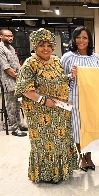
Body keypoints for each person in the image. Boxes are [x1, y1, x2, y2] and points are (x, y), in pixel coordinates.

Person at [14, 28, 78, 183]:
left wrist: (70, 76)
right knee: (45, 144)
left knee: (61, 141)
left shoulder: (56, 60)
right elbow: (24, 89)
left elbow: (59, 79)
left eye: (49, 45)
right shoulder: (31, 63)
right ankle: (47, 174)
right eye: (42, 45)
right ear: (35, 46)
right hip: (40, 112)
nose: (46, 49)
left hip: (60, 110)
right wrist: (44, 101)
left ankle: (62, 171)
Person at [61, 26, 99, 172]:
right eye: (78, 37)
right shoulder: (67, 57)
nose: (81, 40)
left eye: (84, 37)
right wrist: (70, 76)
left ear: (89, 40)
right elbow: (60, 80)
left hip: (91, 99)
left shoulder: (96, 58)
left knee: (90, 127)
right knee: (78, 129)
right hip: (75, 99)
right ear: (73, 39)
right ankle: (81, 157)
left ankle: (89, 156)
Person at [0, 29, 28, 137]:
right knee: (11, 105)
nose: (10, 38)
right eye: (7, 36)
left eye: (11, 36)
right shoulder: (1, 48)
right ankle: (14, 128)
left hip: (17, 80)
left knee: (17, 104)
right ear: (1, 36)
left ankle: (20, 124)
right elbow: (6, 67)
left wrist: (22, 73)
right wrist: (17, 76)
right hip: (9, 80)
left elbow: (16, 64)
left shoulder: (11, 48)